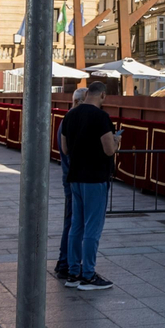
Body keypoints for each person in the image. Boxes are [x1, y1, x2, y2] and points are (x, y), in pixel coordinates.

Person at [60, 82, 119, 290]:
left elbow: (65, 149)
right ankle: (88, 275)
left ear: (86, 94)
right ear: (102, 95)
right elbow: (109, 149)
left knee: (76, 225)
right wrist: (117, 141)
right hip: (95, 177)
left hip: (75, 177)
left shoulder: (70, 116)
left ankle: (73, 273)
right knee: (93, 227)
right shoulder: (101, 117)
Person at [54, 88, 90, 280]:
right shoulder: (72, 120)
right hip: (74, 177)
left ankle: (66, 261)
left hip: (71, 176)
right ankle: (65, 263)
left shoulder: (68, 120)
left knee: (72, 220)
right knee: (73, 221)